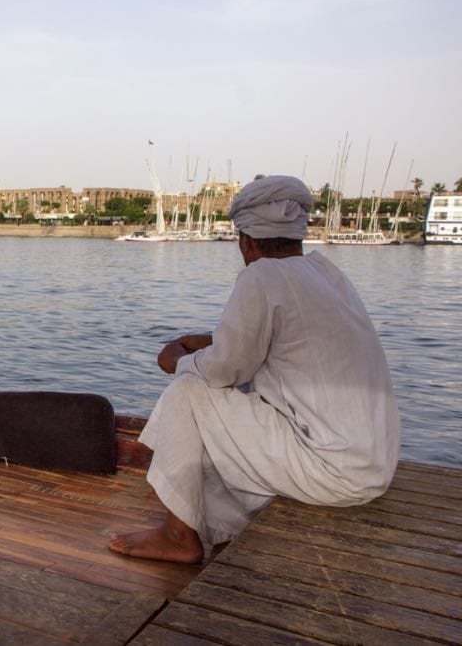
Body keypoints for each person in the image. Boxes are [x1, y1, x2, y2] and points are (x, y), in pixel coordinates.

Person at [110, 175, 400, 563]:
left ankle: (179, 535)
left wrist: (177, 360)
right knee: (220, 392)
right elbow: (289, 339)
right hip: (373, 468)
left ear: (245, 240)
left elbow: (223, 371)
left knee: (189, 390)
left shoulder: (261, 275)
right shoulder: (327, 273)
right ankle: (216, 516)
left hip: (333, 473)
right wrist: (212, 340)